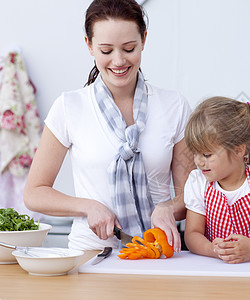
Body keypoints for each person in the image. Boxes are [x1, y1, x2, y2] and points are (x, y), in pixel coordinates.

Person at [23, 0, 195, 251]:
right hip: (91, 252)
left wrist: (167, 207)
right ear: (89, 46)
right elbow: (34, 193)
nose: (118, 61)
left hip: (159, 252)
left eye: (129, 48)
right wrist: (87, 206)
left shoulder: (174, 106)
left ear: (144, 40)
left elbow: (191, 196)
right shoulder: (69, 106)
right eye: (106, 51)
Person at [183, 97, 250, 264]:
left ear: (238, 150)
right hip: (213, 268)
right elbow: (192, 234)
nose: (199, 162)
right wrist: (213, 250)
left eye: (207, 155)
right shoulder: (197, 181)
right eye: (195, 153)